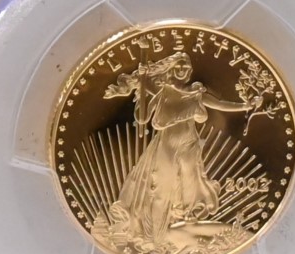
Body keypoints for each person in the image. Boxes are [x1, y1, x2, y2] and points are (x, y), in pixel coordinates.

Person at [106, 52, 254, 241]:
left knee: (189, 184)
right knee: (161, 189)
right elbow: (142, 118)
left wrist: (245, 106)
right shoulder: (162, 92)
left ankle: (182, 224)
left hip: (189, 143)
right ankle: (154, 236)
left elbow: (220, 104)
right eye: (178, 66)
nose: (182, 70)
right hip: (166, 146)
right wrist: (142, 85)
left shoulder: (196, 93)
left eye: (186, 66)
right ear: (171, 69)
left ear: (190, 71)